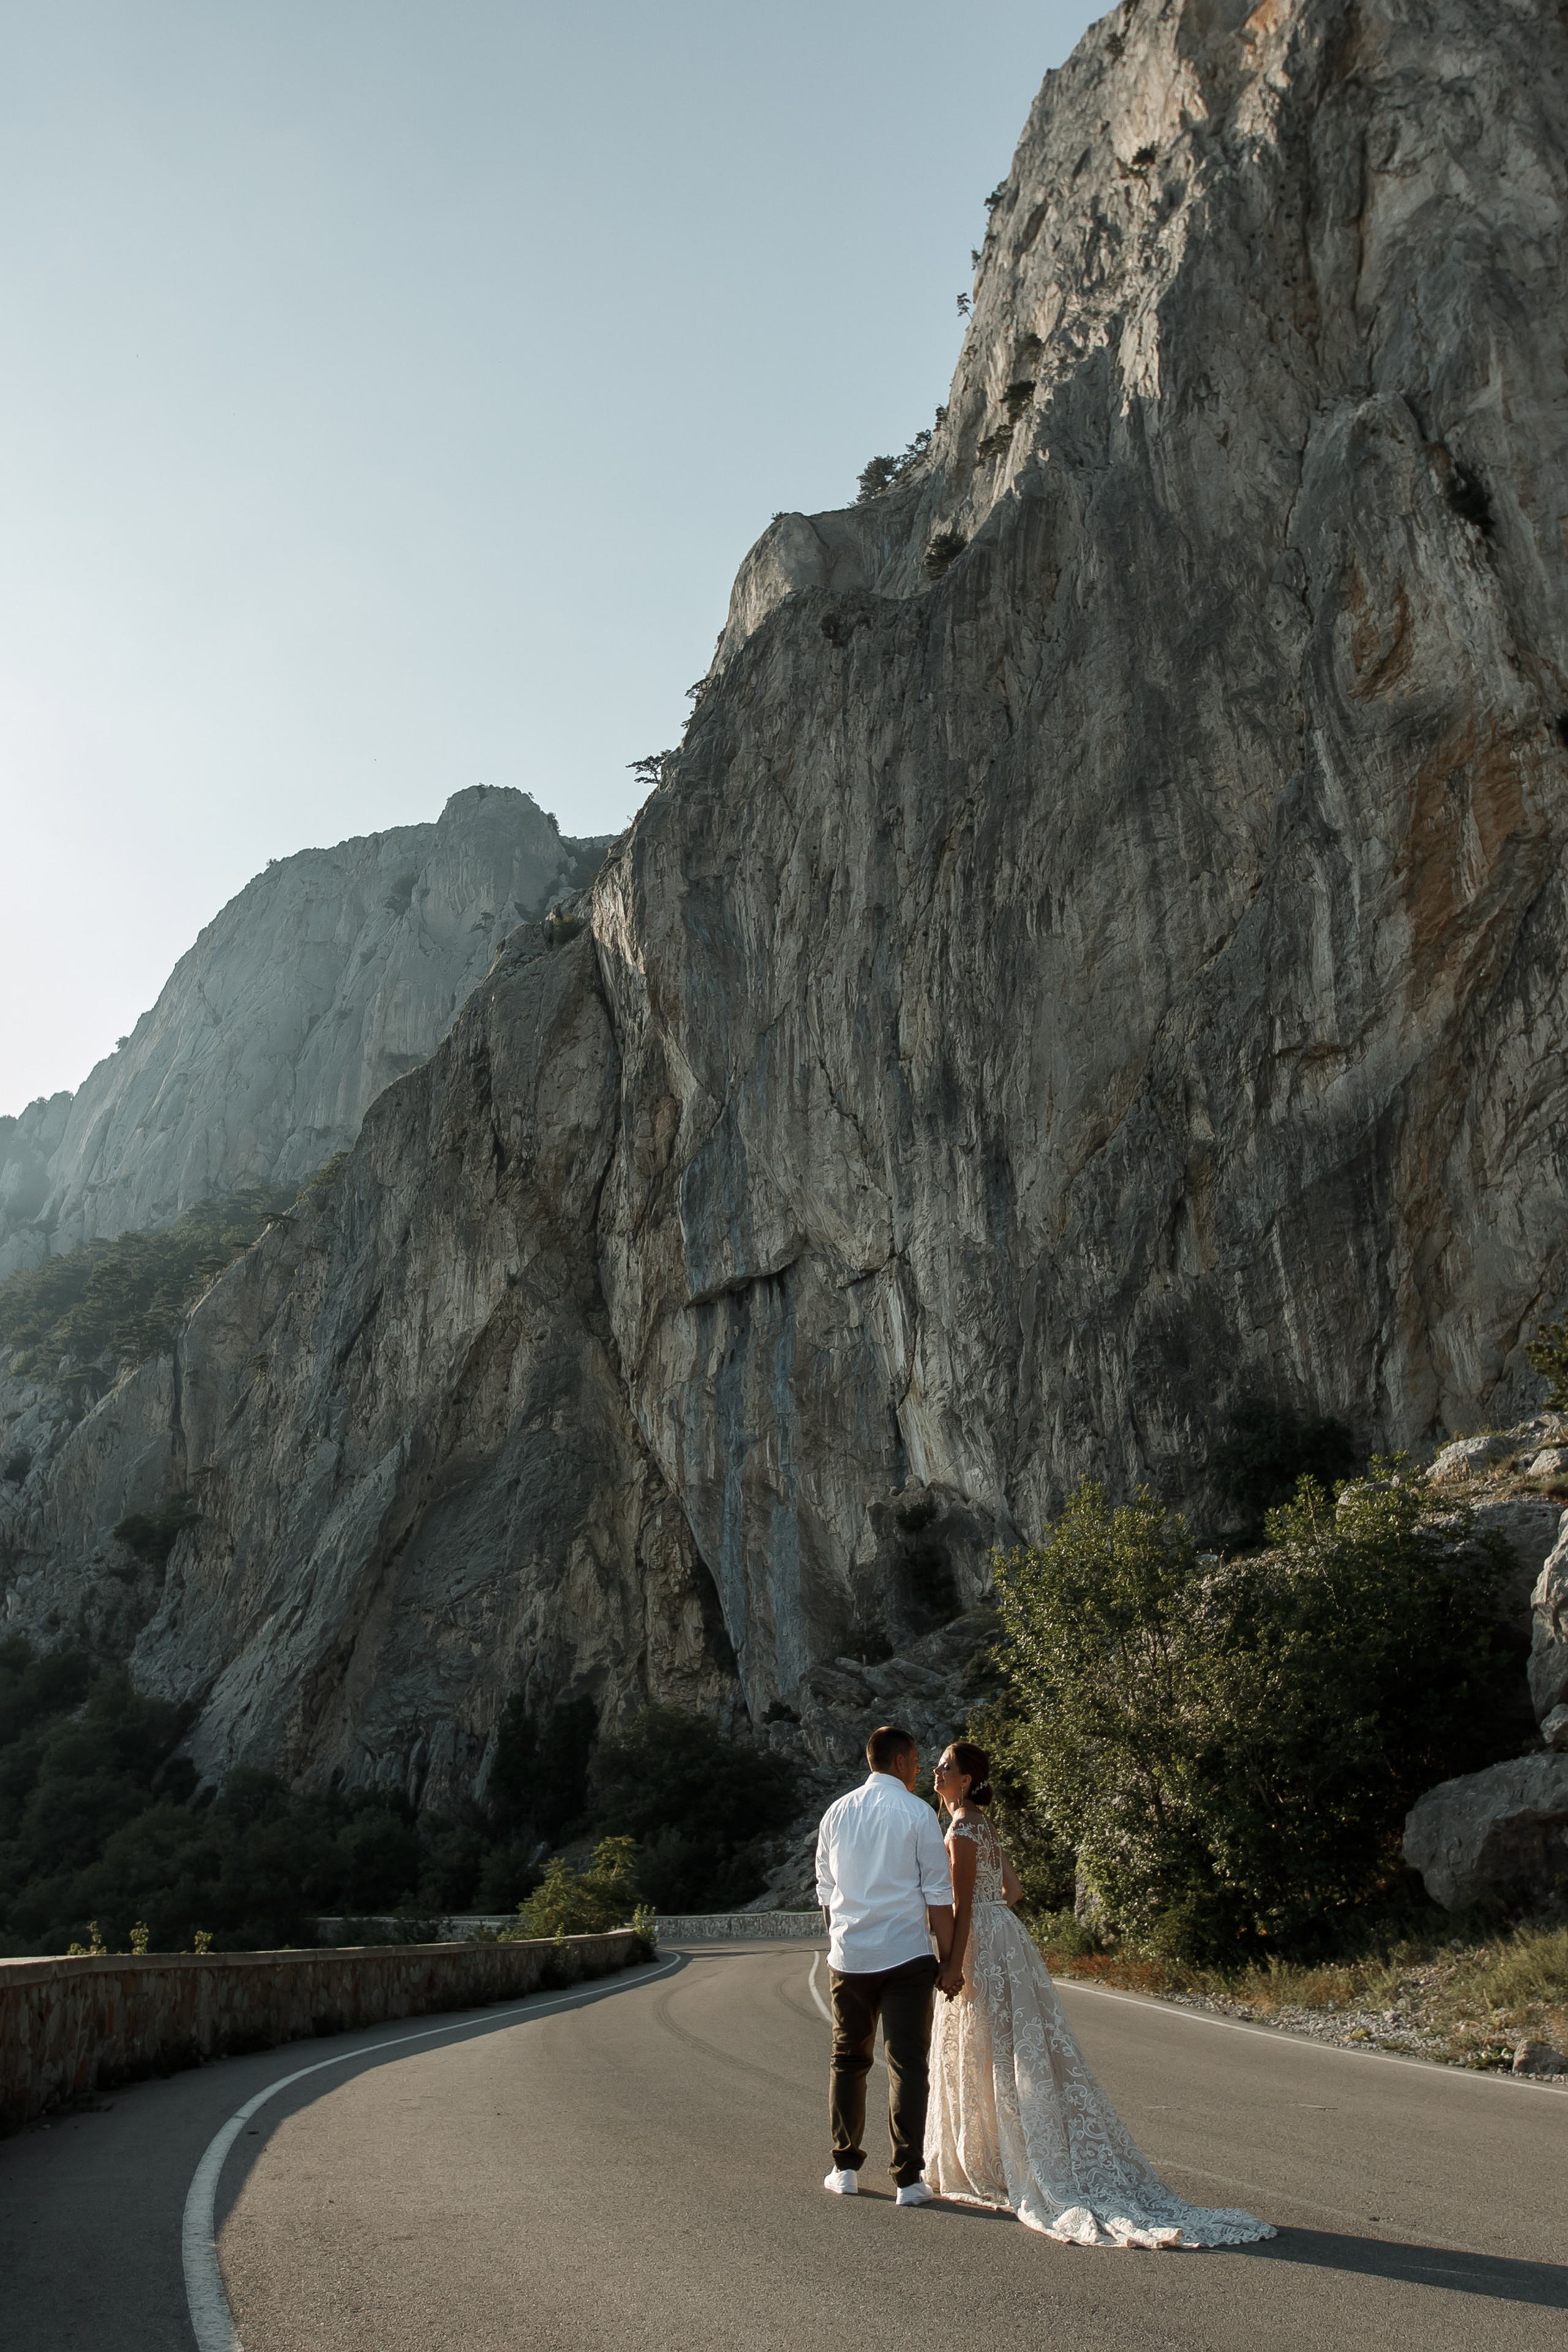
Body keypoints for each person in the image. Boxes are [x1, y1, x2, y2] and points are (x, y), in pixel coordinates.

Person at [924, 1740, 1276, 2249]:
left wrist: (953, 1965)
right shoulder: (982, 1822)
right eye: (938, 1764)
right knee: (1016, 2048)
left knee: (992, 2052)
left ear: (966, 1779)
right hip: (1008, 1939)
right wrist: (993, 1917)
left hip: (981, 1943)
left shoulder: (960, 1828)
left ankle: (994, 2160)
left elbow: (962, 1905)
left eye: (946, 1767)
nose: (937, 1771)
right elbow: (1013, 1892)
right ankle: (1010, 2153)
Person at [815, 1724, 955, 2204]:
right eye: (916, 1762)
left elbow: (827, 1895)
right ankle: (908, 2178)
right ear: (900, 1762)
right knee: (908, 2064)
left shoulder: (835, 1813)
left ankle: (845, 2166)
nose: (919, 1770)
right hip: (907, 1957)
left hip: (850, 1957)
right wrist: (950, 1959)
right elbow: (939, 1897)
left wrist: (845, 1939)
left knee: (849, 2059)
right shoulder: (918, 1815)